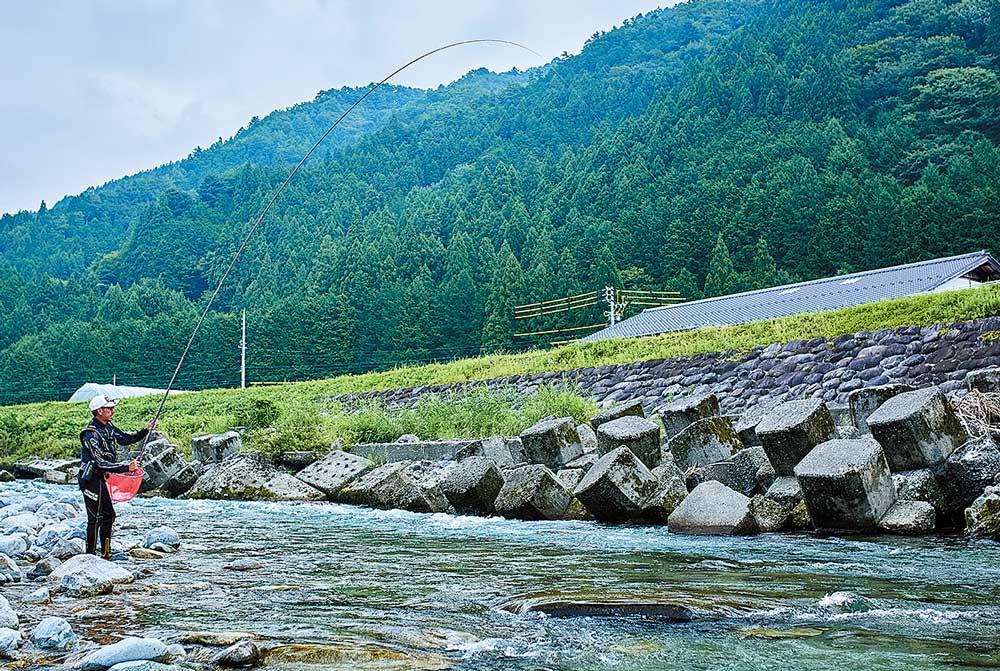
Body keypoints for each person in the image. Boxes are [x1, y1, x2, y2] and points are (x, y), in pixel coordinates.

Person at [79, 395, 157, 560]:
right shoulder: (90, 434)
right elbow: (100, 462)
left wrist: (146, 430)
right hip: (90, 480)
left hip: (102, 478)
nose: (113, 411)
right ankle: (89, 557)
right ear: (99, 411)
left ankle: (106, 554)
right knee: (95, 519)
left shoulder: (108, 427)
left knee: (109, 516)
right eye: (109, 408)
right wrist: (126, 468)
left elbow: (126, 439)